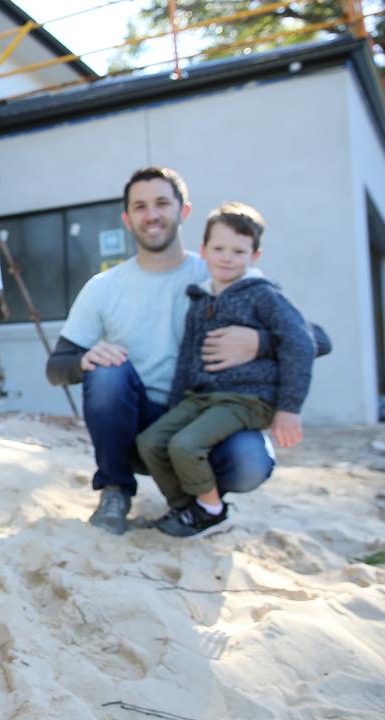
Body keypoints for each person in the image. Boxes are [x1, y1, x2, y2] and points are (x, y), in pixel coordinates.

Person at [45, 167, 330, 535]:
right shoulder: (104, 287)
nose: (152, 215)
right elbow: (56, 368)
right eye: (140, 206)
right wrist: (83, 361)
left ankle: (200, 505)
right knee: (106, 371)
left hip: (207, 413)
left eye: (162, 203)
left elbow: (314, 337)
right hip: (136, 422)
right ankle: (115, 490)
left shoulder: (222, 270)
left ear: (184, 212)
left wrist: (257, 342)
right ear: (127, 219)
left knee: (249, 462)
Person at [136, 202, 314, 536]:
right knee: (151, 441)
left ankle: (213, 511)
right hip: (202, 397)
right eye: (219, 248)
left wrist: (289, 408)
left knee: (185, 445)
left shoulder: (262, 295)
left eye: (238, 250)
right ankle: (187, 508)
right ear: (203, 251)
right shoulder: (200, 300)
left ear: (254, 256)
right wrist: (177, 408)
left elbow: (302, 340)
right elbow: (187, 359)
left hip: (246, 397)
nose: (227, 257)